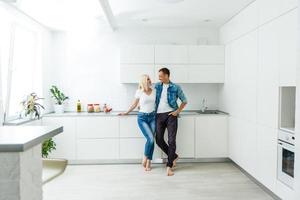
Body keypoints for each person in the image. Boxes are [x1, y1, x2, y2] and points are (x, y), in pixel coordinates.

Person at [155, 67, 187, 176]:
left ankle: (169, 166)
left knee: (171, 140)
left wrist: (177, 111)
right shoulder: (157, 86)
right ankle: (174, 156)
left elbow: (184, 101)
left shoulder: (176, 87)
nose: (159, 78)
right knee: (158, 140)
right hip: (158, 115)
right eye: (158, 76)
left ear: (167, 75)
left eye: (161, 76)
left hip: (171, 115)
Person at [119, 74, 156, 171]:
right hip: (142, 118)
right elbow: (134, 104)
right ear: (144, 81)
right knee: (151, 139)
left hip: (153, 117)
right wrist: (126, 112)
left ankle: (148, 161)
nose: (150, 80)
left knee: (152, 140)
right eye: (148, 79)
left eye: (150, 79)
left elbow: (158, 104)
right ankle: (145, 156)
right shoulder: (139, 92)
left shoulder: (155, 91)